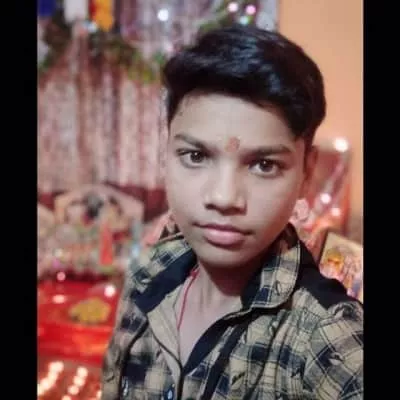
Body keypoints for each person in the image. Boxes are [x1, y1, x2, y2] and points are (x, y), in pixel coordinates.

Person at [101, 24, 363, 400]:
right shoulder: (148, 275)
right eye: (196, 156)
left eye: (264, 165)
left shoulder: (328, 340)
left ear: (307, 172)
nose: (224, 198)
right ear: (165, 154)